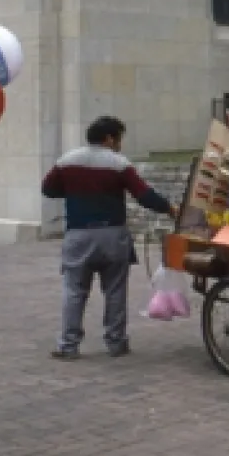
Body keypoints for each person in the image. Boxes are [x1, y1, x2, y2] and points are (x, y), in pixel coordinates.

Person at [42, 116, 178, 360]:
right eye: (119, 139)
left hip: (78, 235)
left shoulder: (67, 160)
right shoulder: (119, 164)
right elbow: (144, 195)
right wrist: (169, 208)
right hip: (112, 235)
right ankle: (116, 342)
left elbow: (48, 189)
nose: (120, 145)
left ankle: (68, 345)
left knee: (74, 291)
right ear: (109, 138)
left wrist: (75, 193)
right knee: (115, 291)